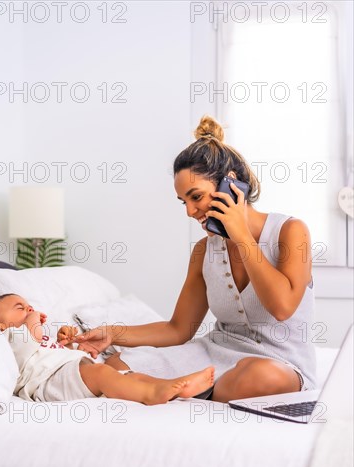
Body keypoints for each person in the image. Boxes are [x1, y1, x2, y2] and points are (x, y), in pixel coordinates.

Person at [59, 115, 316, 402]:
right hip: (213, 353)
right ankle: (192, 388)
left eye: (196, 197)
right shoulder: (204, 252)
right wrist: (111, 333)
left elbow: (281, 307)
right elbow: (178, 329)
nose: (190, 211)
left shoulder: (291, 231)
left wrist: (241, 235)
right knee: (116, 365)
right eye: (185, 202)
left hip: (279, 362)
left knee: (261, 376)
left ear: (230, 185)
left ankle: (185, 389)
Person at [0, 294, 215, 405]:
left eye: (29, 306)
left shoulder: (31, 334)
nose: (28, 308)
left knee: (130, 375)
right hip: (48, 383)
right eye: (20, 307)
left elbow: (48, 350)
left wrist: (68, 343)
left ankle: (171, 389)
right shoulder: (5, 337)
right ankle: (151, 395)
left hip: (66, 373)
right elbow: (31, 339)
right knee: (102, 373)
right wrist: (33, 317)